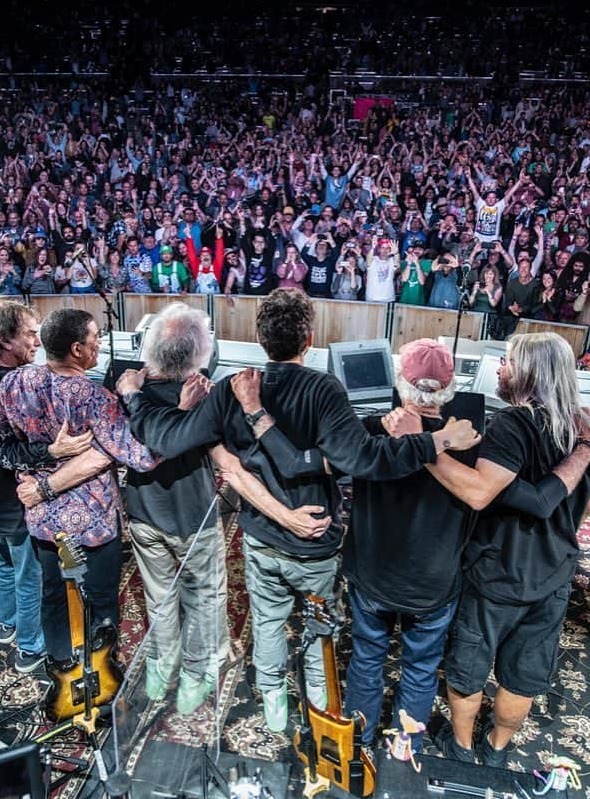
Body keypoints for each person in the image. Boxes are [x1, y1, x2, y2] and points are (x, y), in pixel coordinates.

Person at [116, 289, 479, 732]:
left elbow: (170, 439)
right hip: (315, 544)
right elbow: (362, 460)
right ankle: (319, 699)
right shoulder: (325, 389)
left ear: (258, 335)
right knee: (318, 627)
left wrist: (134, 397)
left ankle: (272, 701)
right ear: (309, 339)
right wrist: (434, 441)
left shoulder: (234, 386)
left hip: (259, 535)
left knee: (267, 622)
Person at [21, 303, 339, 715]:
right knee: (204, 599)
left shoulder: (124, 389)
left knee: (159, 598)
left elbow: (114, 450)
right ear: (201, 354)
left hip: (141, 514)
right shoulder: (207, 397)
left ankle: (159, 668)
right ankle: (193, 675)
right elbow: (229, 466)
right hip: (194, 520)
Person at [321, 338, 590, 754]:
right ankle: (406, 747)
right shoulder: (473, 444)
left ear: (400, 382)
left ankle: (359, 740)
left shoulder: (375, 432)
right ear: (450, 390)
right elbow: (567, 504)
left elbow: (328, 463)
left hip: (371, 577)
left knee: (365, 658)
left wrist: (375, 428)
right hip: (434, 586)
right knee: (419, 668)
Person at [0, 308, 161, 668]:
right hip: (93, 524)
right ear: (78, 349)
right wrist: (144, 400)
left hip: (44, 521)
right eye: (95, 339)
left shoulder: (16, 384)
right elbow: (142, 457)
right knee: (102, 602)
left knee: (53, 597)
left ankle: (62, 671)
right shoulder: (94, 397)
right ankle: (101, 680)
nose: (99, 345)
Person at [0, 303, 92, 673]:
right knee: (32, 575)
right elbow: (9, 450)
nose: (36, 341)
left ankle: (6, 623)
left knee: (5, 561)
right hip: (9, 501)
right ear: (3, 340)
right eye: (28, 333)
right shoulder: (8, 385)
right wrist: (51, 450)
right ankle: (29, 645)